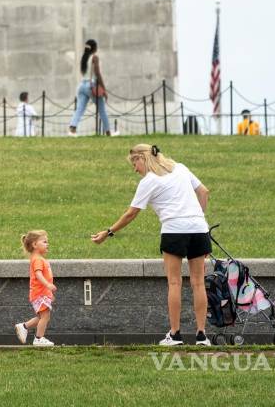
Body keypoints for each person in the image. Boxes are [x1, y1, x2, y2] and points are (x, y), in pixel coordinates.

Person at [92, 144, 212, 346]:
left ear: (142, 159)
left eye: (134, 163)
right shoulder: (180, 168)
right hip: (199, 229)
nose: (134, 169)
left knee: (175, 282)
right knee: (198, 283)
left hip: (174, 230)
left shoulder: (149, 181)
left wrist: (108, 232)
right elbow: (204, 192)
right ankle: (202, 335)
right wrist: (198, 218)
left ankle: (175, 335)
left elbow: (131, 213)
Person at [14, 230, 57, 347]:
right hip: (39, 293)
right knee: (45, 316)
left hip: (42, 293)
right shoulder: (37, 259)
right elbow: (38, 275)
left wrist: (49, 293)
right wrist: (48, 286)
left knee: (42, 317)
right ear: (34, 245)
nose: (47, 244)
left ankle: (24, 326)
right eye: (44, 242)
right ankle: (38, 338)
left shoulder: (38, 258)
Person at [68, 39, 114, 136]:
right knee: (102, 109)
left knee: (80, 108)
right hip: (91, 85)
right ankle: (108, 132)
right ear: (94, 48)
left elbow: (84, 73)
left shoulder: (84, 58)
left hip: (81, 85)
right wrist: (104, 89)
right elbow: (97, 73)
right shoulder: (94, 57)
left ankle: (72, 129)